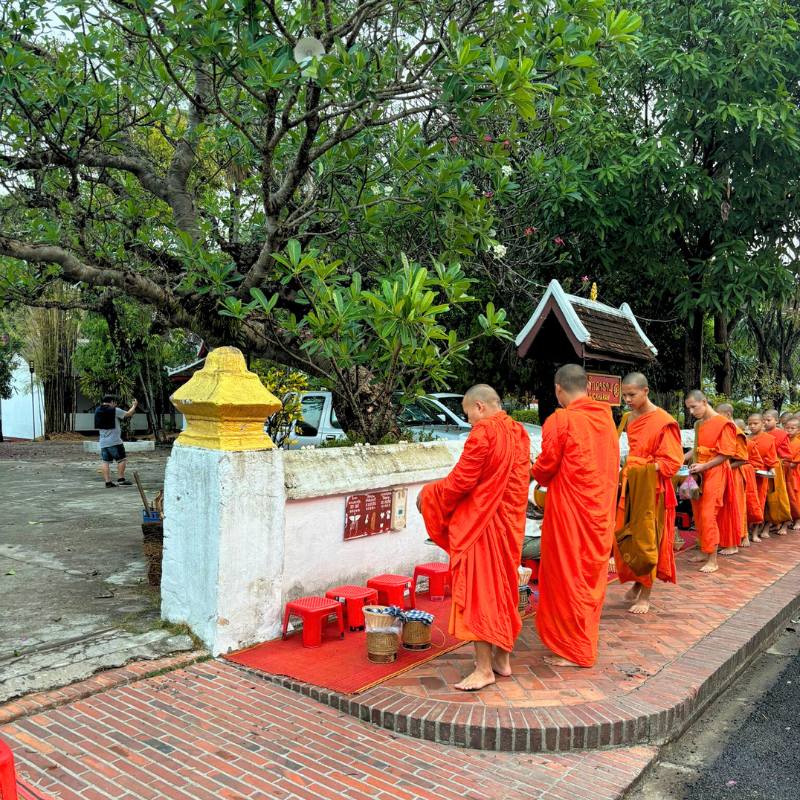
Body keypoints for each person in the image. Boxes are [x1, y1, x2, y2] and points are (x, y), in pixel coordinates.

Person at [418, 384, 529, 691]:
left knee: (481, 593)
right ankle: (501, 660)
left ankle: (483, 669)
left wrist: (429, 494)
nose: (468, 422)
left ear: (479, 407)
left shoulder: (484, 432)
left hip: (483, 525)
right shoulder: (518, 431)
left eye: (468, 415)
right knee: (503, 589)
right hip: (509, 524)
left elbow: (462, 481)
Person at [530, 364, 619, 667]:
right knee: (588, 577)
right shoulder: (606, 417)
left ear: (558, 389)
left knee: (566, 576)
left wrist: (530, 470)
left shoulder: (561, 420)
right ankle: (581, 641)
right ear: (588, 387)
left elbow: (545, 467)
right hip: (599, 512)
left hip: (569, 513)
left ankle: (575, 649)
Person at [613, 373, 683, 614]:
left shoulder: (663, 421)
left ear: (646, 392)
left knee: (648, 540)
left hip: (652, 488)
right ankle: (637, 581)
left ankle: (645, 596)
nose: (628, 400)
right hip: (632, 484)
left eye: (632, 395)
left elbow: (672, 463)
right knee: (628, 536)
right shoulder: (629, 418)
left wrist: (641, 468)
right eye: (624, 395)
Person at [683, 391, 738, 573]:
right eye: (689, 408)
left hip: (715, 471)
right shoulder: (699, 424)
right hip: (699, 471)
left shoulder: (724, 423)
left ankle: (713, 560)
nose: (691, 411)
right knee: (698, 513)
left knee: (709, 514)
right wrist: (682, 458)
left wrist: (705, 466)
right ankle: (704, 551)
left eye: (694, 407)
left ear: (704, 402)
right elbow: (697, 449)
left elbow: (726, 454)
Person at [715, 405, 749, 554]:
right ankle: (725, 541)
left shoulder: (737, 433)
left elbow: (742, 459)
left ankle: (734, 544)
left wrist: (725, 467)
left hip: (734, 474)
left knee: (734, 508)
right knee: (723, 509)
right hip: (723, 473)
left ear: (728, 415)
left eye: (719, 415)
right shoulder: (724, 431)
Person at [748, 413, 782, 541]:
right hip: (747, 473)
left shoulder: (768, 439)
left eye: (755, 423)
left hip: (762, 474)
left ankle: (755, 532)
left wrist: (772, 470)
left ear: (762, 423)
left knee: (759, 502)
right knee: (746, 503)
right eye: (750, 424)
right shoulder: (745, 438)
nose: (752, 426)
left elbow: (771, 457)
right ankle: (745, 533)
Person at [95, 394, 137, 488]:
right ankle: (121, 479)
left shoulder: (98, 410)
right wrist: (134, 405)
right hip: (114, 441)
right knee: (122, 459)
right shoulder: (115, 410)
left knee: (105, 461)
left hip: (103, 441)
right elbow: (128, 414)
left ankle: (107, 482)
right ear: (112, 402)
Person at [733, 418, 763, 546]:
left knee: (748, 505)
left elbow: (757, 463)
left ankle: (747, 535)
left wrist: (744, 466)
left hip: (746, 478)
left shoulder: (750, 444)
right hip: (732, 477)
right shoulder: (726, 443)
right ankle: (736, 536)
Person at [764, 410, 794, 535]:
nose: (765, 423)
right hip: (761, 467)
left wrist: (774, 460)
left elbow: (787, 455)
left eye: (768, 420)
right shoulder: (761, 433)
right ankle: (764, 524)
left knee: (775, 497)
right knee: (763, 497)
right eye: (764, 420)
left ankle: (778, 523)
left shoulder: (781, 435)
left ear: (776, 420)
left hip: (775, 469)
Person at [784, 416, 800, 531]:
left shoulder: (798, 444)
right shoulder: (782, 441)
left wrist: (780, 464)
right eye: (787, 428)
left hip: (793, 474)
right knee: (785, 497)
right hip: (782, 473)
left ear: (798, 430)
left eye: (792, 428)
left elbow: (794, 464)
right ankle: (785, 520)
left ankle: (798, 520)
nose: (789, 431)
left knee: (795, 497)